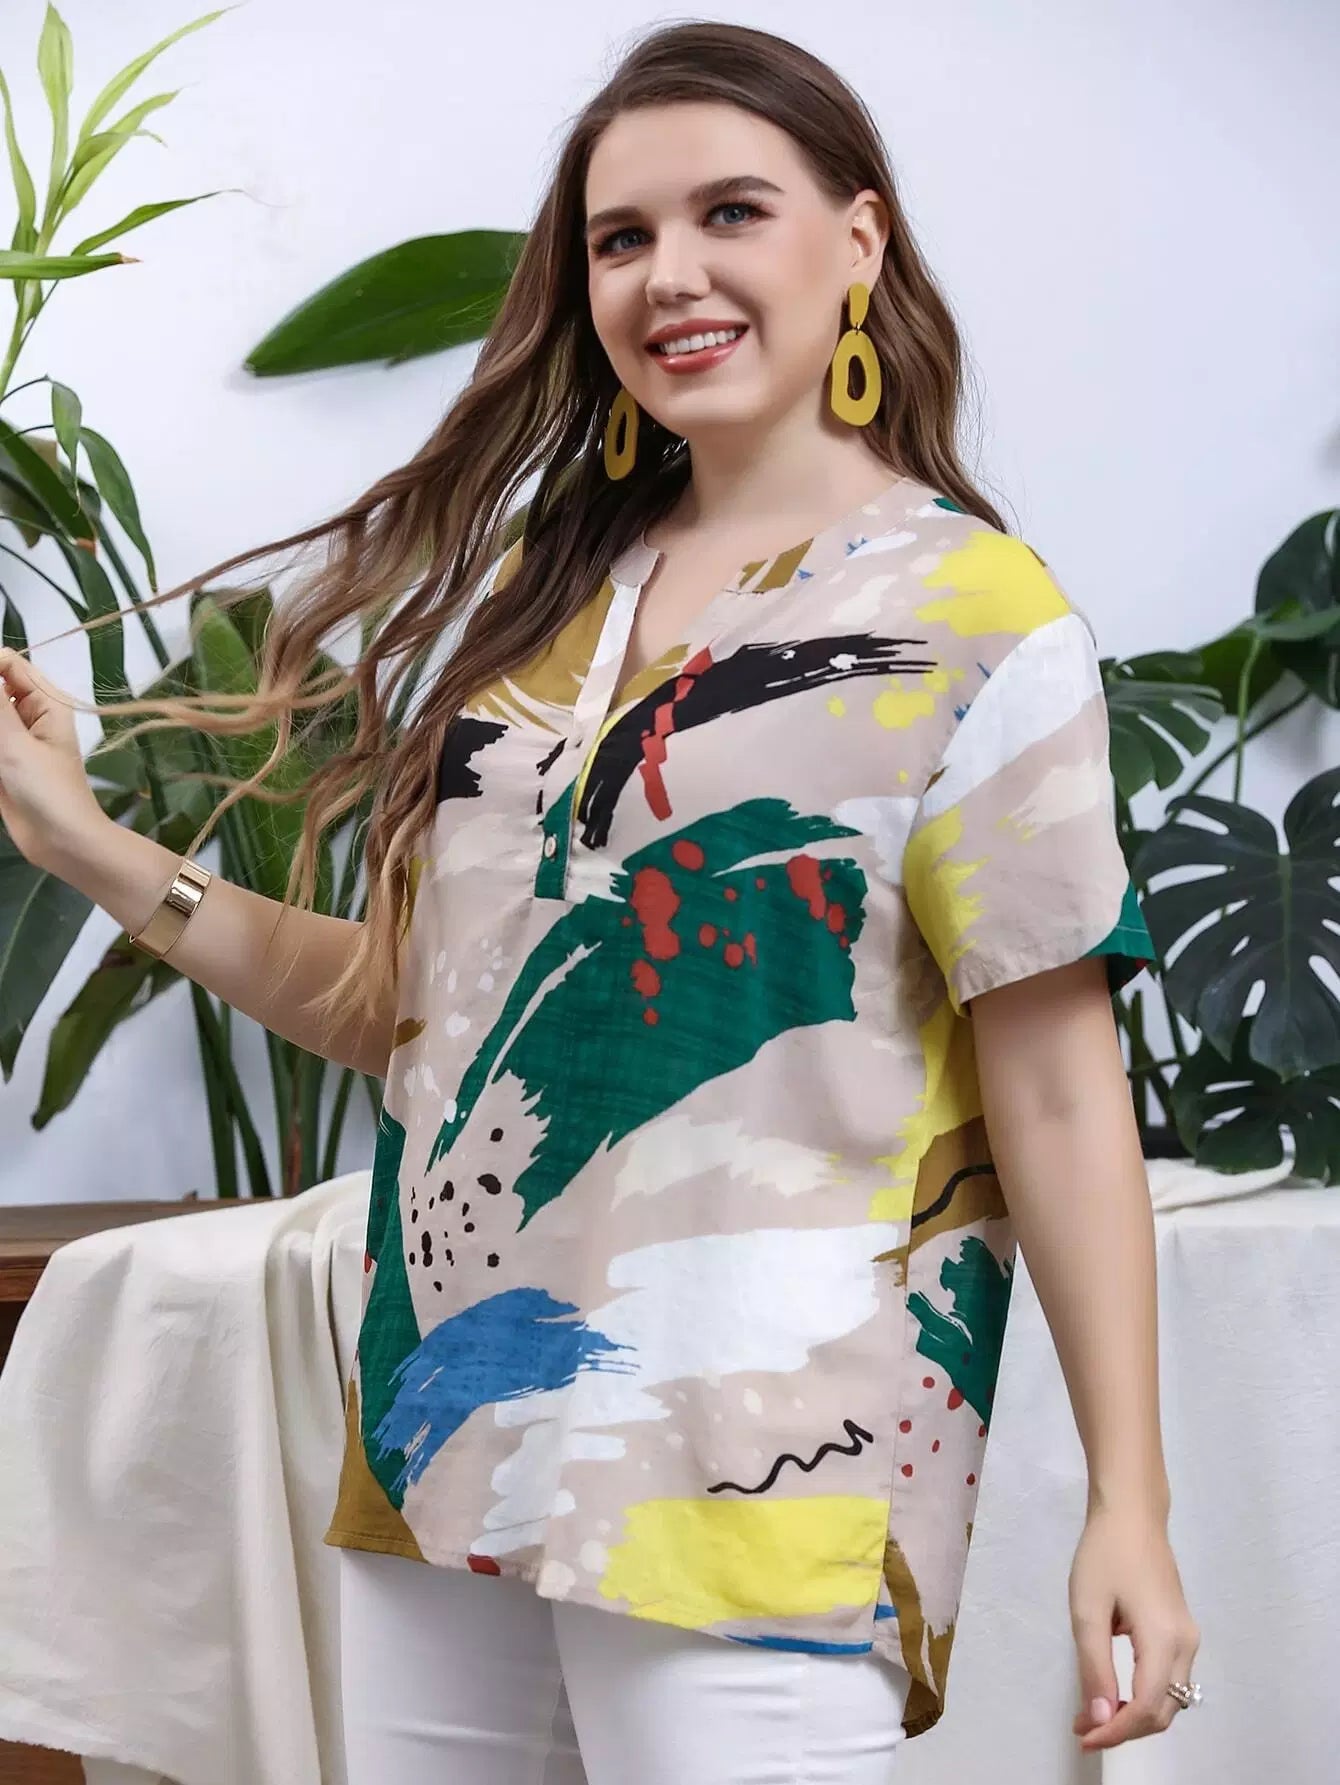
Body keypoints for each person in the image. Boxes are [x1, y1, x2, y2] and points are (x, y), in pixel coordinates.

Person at [0, 19, 1202, 1784]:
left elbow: (1058, 1089)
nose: (670, 275)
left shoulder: (975, 614)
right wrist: (89, 845)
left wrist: (1131, 1499)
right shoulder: (545, 615)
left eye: (732, 212)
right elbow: (410, 1012)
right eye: (621, 237)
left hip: (758, 1476)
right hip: (445, 1455)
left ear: (858, 240)